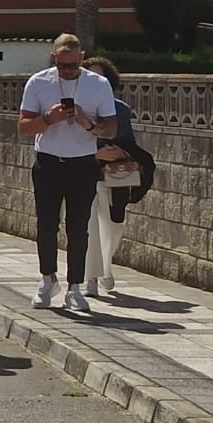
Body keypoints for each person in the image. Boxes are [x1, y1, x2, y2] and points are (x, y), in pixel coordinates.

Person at [18, 33, 116, 312]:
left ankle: (75, 286)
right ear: (54, 59)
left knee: (78, 228)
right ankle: (48, 279)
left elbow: (111, 127)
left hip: (82, 163)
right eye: (62, 66)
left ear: (82, 57)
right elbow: (23, 126)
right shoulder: (38, 82)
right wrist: (49, 118)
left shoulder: (98, 84)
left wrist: (87, 123)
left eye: (72, 65)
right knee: (46, 226)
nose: (67, 71)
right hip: (48, 161)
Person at [84, 57, 137, 298]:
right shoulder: (78, 110)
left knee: (115, 226)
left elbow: (131, 144)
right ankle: (91, 278)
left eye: (101, 78)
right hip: (87, 175)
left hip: (116, 176)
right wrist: (96, 154)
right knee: (92, 227)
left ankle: (106, 267)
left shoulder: (122, 110)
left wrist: (121, 152)